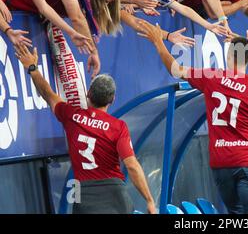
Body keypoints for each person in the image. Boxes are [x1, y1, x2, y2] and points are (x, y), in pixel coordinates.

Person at [138, 22, 248, 214]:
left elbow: (175, 69)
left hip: (221, 163)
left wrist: (158, 42)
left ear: (229, 55)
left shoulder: (212, 77)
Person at [15, 44, 157, 214]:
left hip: (83, 194)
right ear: (112, 100)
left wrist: (32, 68)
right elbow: (132, 165)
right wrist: (149, 200)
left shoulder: (71, 116)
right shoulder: (118, 127)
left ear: (88, 94)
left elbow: (48, 93)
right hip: (114, 194)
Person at [8, 0, 101, 108]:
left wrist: (73, 32)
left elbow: (48, 8)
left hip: (35, 10)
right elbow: (76, 17)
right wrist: (93, 52)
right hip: (16, 12)